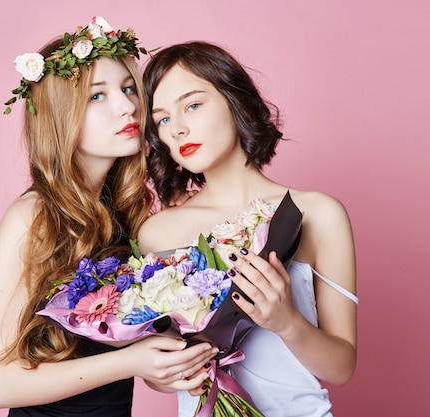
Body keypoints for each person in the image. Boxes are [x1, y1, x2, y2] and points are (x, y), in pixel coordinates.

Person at [0, 19, 218, 417]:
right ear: (60, 117)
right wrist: (131, 362)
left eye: (128, 89)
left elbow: (120, 347)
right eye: (97, 96)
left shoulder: (127, 215)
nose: (128, 106)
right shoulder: (34, 216)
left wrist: (162, 368)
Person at [138, 41, 358, 417]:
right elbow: (157, 368)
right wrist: (166, 373)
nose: (178, 129)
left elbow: (341, 367)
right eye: (162, 119)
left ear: (234, 100)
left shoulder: (318, 213)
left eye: (193, 105)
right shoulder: (158, 233)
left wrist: (286, 321)